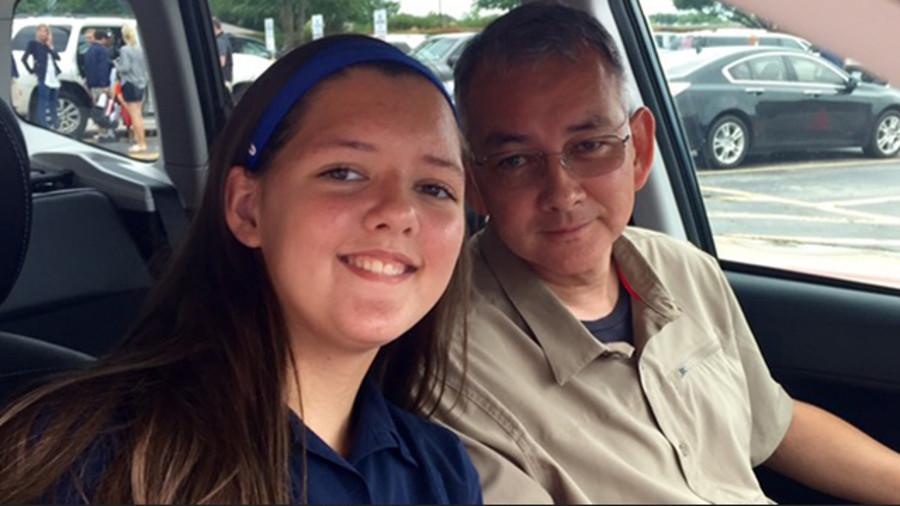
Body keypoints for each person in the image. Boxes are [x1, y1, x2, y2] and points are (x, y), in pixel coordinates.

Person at [430, 3, 900, 504]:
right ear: (474, 182)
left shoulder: (683, 269)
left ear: (640, 148)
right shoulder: (446, 355)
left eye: (589, 145)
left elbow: (774, 426)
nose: (562, 192)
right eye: (515, 160)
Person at [0, 34, 481, 504]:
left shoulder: (440, 469)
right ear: (248, 207)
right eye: (345, 172)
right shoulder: (89, 461)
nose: (399, 212)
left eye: (436, 189)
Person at [21, 24, 61, 130]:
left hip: (53, 74)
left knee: (53, 100)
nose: (43, 34)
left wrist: (51, 46)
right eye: (41, 31)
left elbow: (57, 58)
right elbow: (24, 59)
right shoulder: (33, 44)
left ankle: (55, 122)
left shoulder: (48, 45)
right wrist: (32, 70)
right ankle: (43, 123)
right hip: (43, 75)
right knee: (43, 99)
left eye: (45, 32)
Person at [116, 24, 148, 153]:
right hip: (141, 82)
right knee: (138, 114)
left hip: (130, 83)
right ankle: (139, 140)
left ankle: (141, 143)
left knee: (135, 115)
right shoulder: (141, 49)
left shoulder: (125, 50)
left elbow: (125, 68)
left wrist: (116, 64)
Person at [83, 29, 114, 142]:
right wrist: (105, 85)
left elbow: (87, 67)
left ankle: (100, 131)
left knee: (97, 108)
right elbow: (102, 69)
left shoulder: (89, 50)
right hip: (101, 85)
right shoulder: (102, 51)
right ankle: (105, 133)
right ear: (103, 39)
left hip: (92, 84)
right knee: (104, 109)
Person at [213, 17, 234, 90]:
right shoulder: (225, 39)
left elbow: (222, 62)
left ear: (214, 27)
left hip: (223, 80)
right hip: (227, 79)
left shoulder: (220, 41)